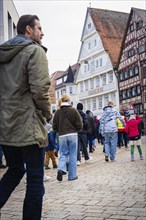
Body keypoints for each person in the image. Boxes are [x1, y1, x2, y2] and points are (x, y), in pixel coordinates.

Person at [0, 15, 51, 220]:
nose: (42, 32)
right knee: (36, 179)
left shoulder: (3, 55)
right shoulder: (34, 51)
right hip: (29, 127)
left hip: (6, 126)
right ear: (28, 30)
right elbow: (40, 90)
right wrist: (47, 113)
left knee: (14, 170)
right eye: (39, 28)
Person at [53, 94, 83, 181]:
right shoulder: (73, 110)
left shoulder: (58, 112)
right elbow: (80, 123)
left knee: (63, 153)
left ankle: (60, 169)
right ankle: (72, 176)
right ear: (68, 100)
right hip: (73, 134)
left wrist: (59, 131)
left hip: (62, 135)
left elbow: (54, 126)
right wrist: (76, 130)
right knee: (73, 154)